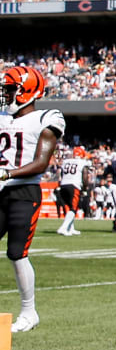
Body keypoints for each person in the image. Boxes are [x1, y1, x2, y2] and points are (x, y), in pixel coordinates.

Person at [0, 66, 64, 332]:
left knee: (17, 253)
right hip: (1, 190)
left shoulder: (46, 118)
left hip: (24, 191)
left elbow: (41, 163)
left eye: (10, 89)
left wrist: (6, 174)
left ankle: (29, 311)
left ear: (27, 90)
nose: (5, 94)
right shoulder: (2, 115)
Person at [56, 145, 90, 236]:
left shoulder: (66, 162)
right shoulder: (83, 163)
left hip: (64, 185)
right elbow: (85, 176)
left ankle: (70, 228)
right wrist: (85, 188)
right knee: (73, 208)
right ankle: (63, 228)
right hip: (74, 185)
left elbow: (62, 174)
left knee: (69, 207)